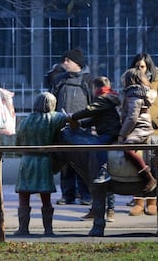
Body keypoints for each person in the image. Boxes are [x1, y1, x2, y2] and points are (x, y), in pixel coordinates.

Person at [14, 92, 73, 236]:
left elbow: (18, 144)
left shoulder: (26, 121)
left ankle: (23, 229)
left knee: (24, 196)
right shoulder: (53, 118)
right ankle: (48, 230)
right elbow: (70, 118)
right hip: (43, 162)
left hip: (26, 162)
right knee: (45, 198)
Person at [65, 76, 121, 221]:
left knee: (99, 165)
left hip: (108, 134)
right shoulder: (108, 98)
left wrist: (72, 116)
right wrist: (81, 124)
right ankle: (97, 210)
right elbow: (95, 119)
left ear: (96, 87)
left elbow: (89, 110)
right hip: (108, 132)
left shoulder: (103, 98)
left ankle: (109, 209)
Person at [127, 53, 158, 216]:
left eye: (143, 66)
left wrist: (156, 122)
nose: (140, 69)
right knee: (138, 166)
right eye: (137, 66)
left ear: (148, 67)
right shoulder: (131, 80)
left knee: (155, 165)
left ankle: (153, 202)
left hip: (153, 131)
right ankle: (138, 201)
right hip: (136, 131)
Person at [50, 48, 93, 206]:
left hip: (83, 129)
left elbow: (94, 104)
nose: (64, 63)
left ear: (77, 63)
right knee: (65, 164)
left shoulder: (89, 80)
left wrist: (91, 124)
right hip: (62, 128)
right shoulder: (59, 79)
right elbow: (51, 101)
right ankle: (67, 195)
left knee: (83, 163)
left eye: (68, 60)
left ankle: (86, 195)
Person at [118, 68, 158, 193]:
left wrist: (122, 134)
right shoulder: (140, 92)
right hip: (141, 124)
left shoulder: (134, 94)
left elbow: (132, 117)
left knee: (127, 149)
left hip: (140, 127)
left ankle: (149, 178)